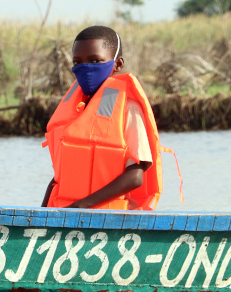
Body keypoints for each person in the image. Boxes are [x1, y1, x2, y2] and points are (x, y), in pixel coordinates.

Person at [41, 25, 169, 210]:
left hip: (106, 217)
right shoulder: (77, 109)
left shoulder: (127, 108)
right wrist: (41, 214)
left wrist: (81, 206)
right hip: (65, 215)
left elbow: (135, 176)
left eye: (95, 61)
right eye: (78, 63)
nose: (85, 68)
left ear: (117, 64)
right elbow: (59, 178)